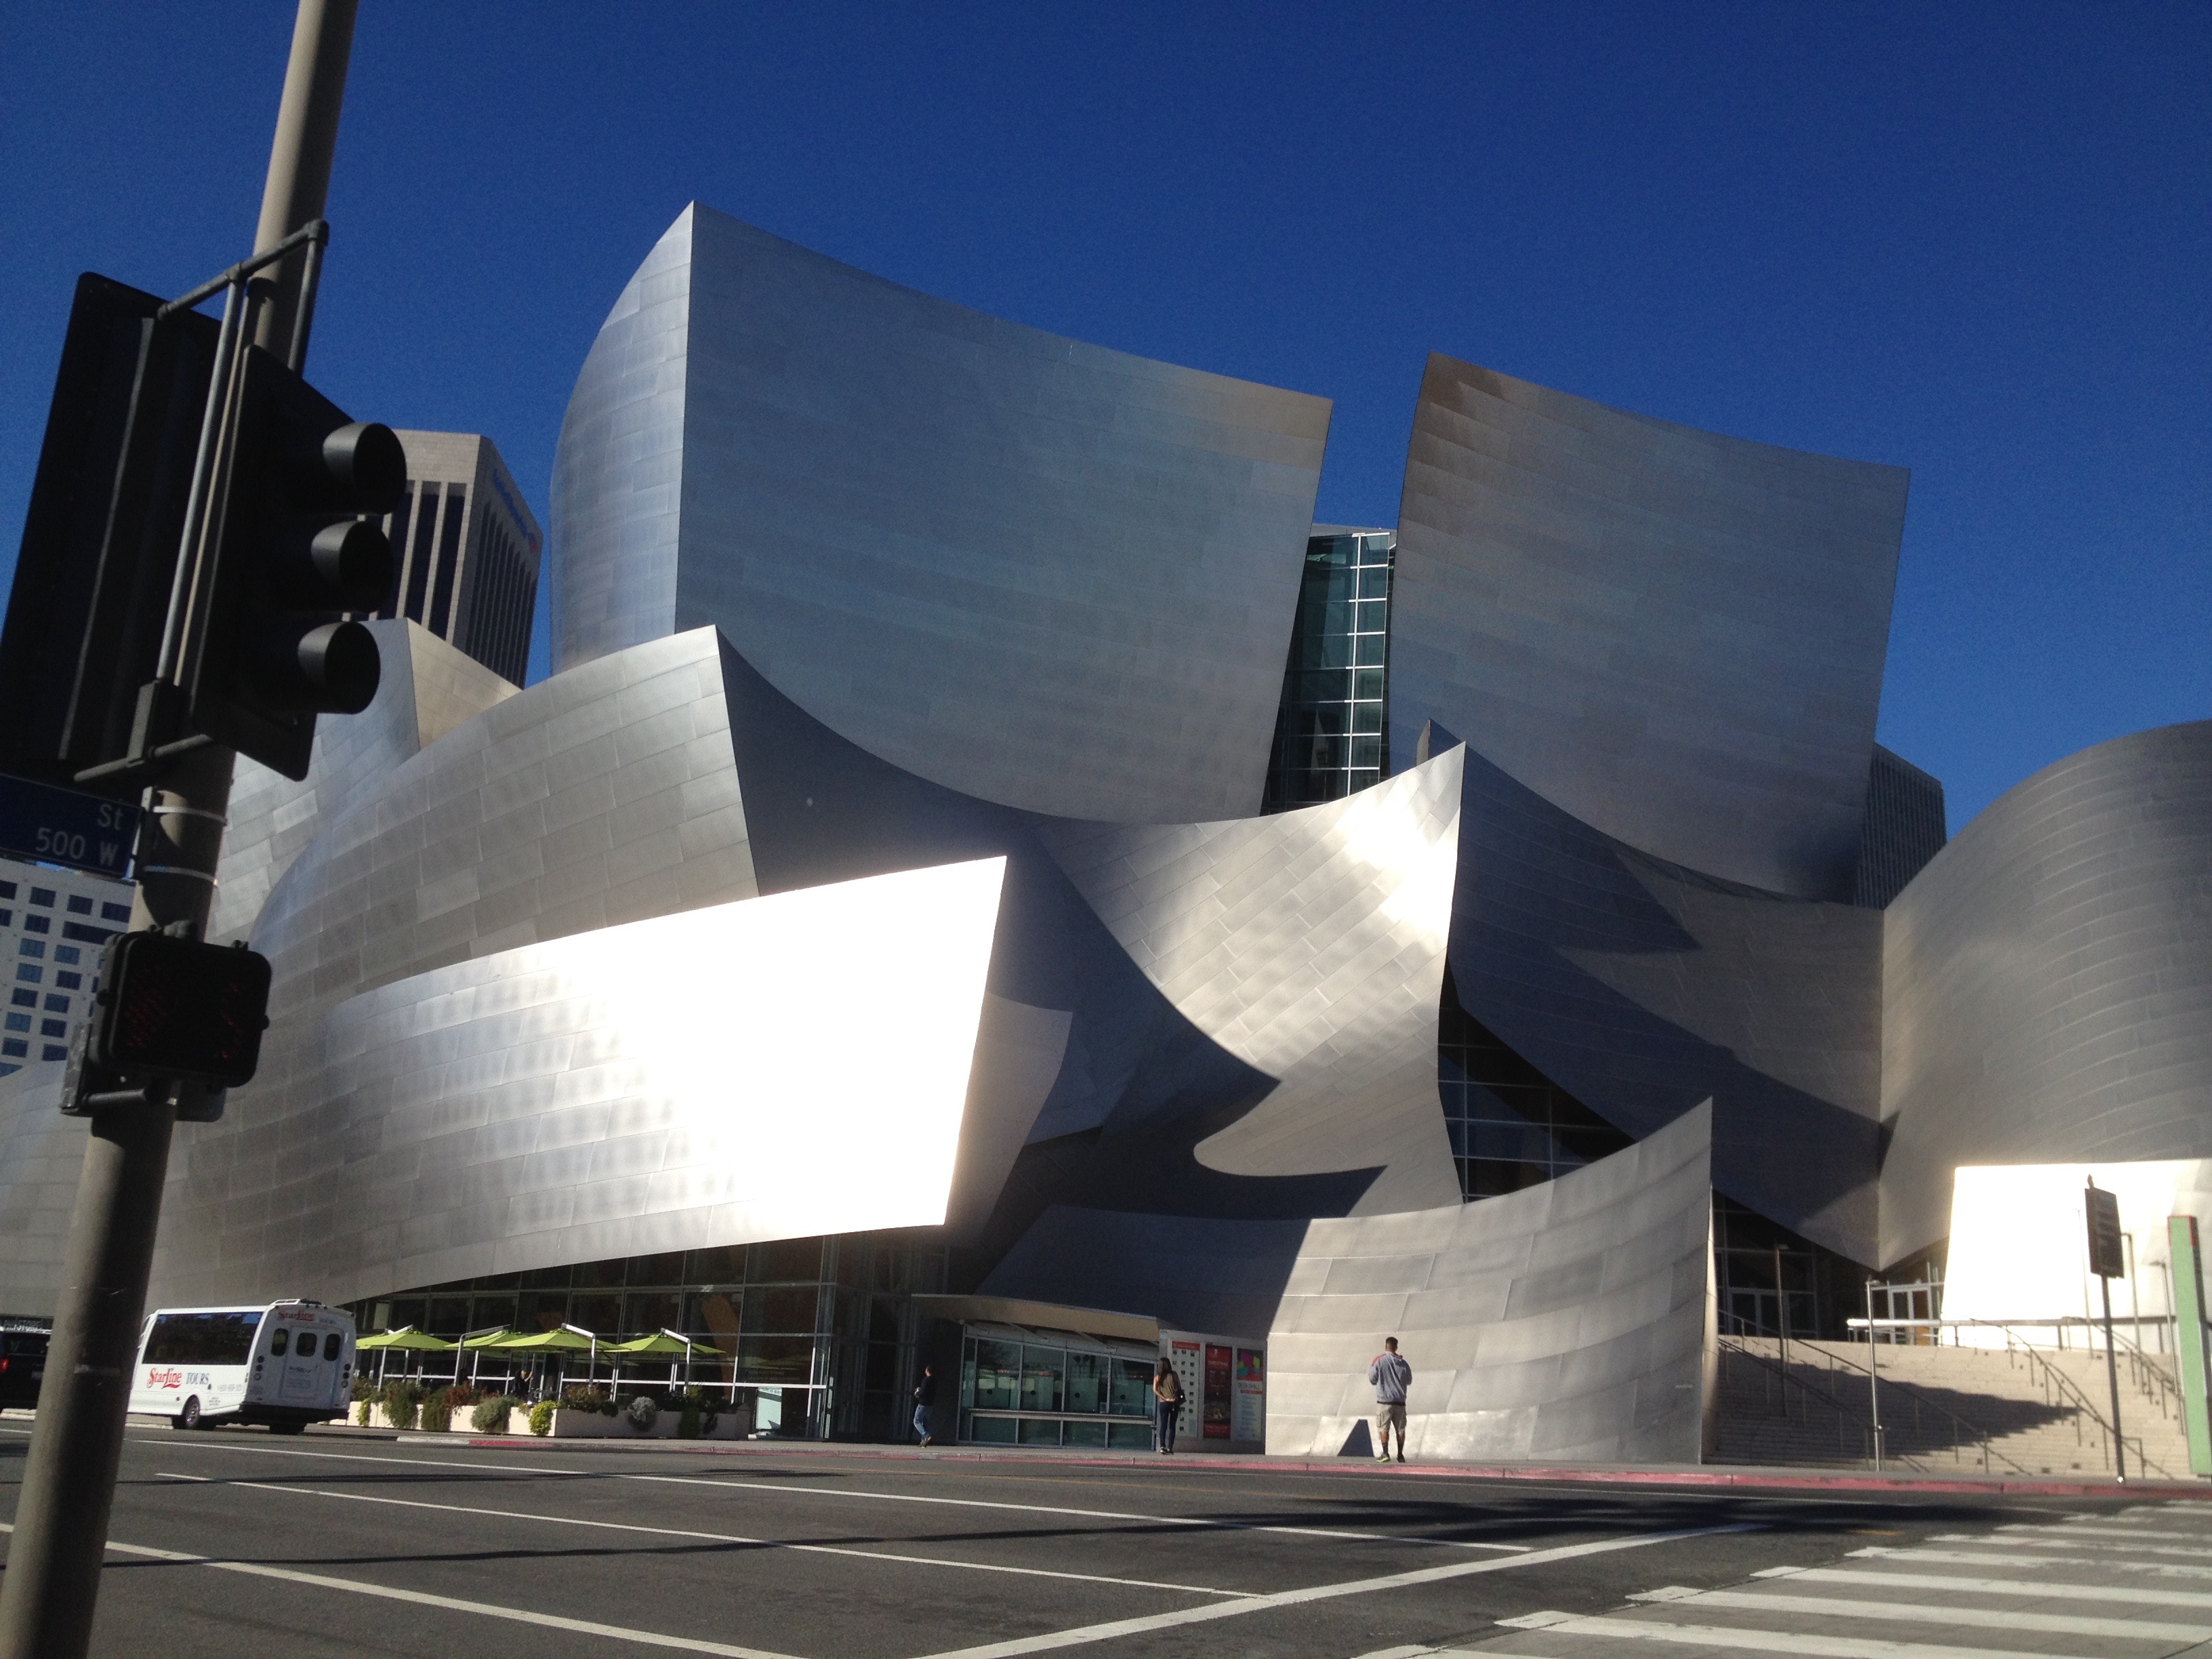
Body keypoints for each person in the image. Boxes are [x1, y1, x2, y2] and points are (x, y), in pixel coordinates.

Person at [1369, 1336, 1411, 1463]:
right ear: (1396, 1347)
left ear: (1386, 1346)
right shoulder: (1403, 1363)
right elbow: (1409, 1381)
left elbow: (1372, 1379)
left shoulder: (1379, 1361)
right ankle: (1400, 1454)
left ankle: (1385, 1453)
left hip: (1385, 1401)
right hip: (1400, 1401)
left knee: (1383, 1427)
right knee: (1400, 1429)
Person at [1151, 1357, 1183, 1454]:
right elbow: (1179, 1388)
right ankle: (1170, 1448)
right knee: (1172, 1426)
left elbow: (1155, 1390)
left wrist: (1164, 1398)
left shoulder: (1158, 1377)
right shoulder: (1174, 1375)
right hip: (1174, 1403)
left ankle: (1162, 1446)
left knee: (1163, 1425)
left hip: (1163, 1403)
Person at [912, 1363, 935, 1447]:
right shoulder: (934, 1381)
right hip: (930, 1404)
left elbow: (924, 1392)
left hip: (923, 1404)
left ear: (927, 1371)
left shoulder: (926, 1380)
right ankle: (923, 1441)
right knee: (926, 1422)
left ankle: (926, 1435)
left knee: (916, 1421)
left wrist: (918, 1393)